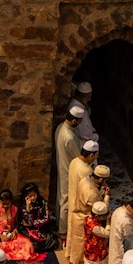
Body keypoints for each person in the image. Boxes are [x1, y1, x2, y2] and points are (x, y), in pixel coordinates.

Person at [54, 102, 82, 238]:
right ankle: (63, 230)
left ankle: (59, 223)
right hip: (68, 169)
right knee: (66, 199)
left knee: (61, 197)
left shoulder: (60, 127)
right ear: (74, 120)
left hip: (62, 165)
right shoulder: (69, 137)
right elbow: (79, 156)